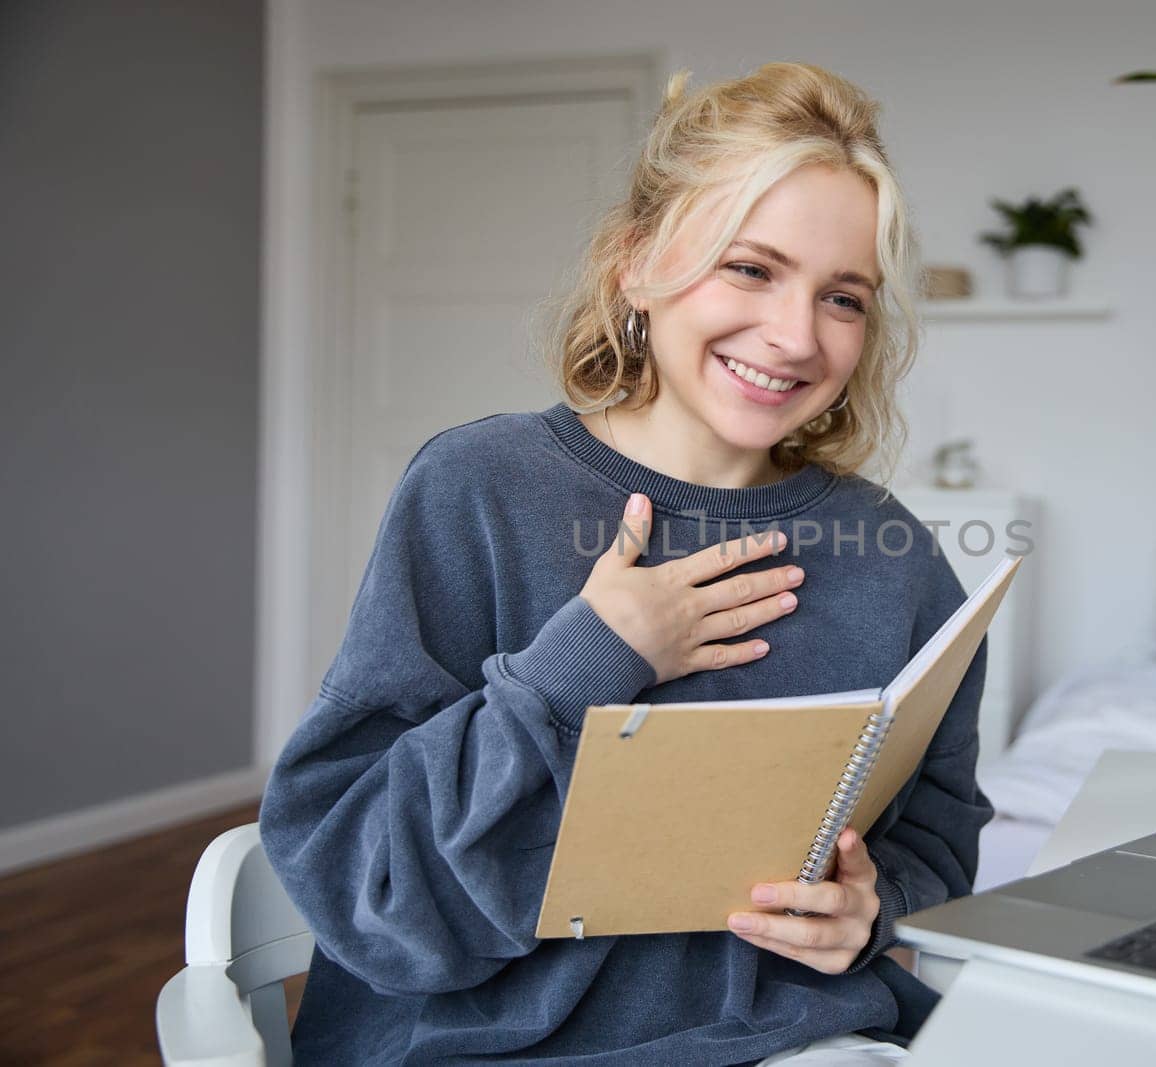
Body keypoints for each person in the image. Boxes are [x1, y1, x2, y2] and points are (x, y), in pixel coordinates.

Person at [259, 61, 994, 1065]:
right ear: (636, 261)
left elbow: (936, 838)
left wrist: (869, 908)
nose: (793, 333)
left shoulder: (894, 555)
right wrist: (584, 663)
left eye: (844, 297)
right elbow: (359, 879)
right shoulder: (479, 487)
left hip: (792, 1040)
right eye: (750, 267)